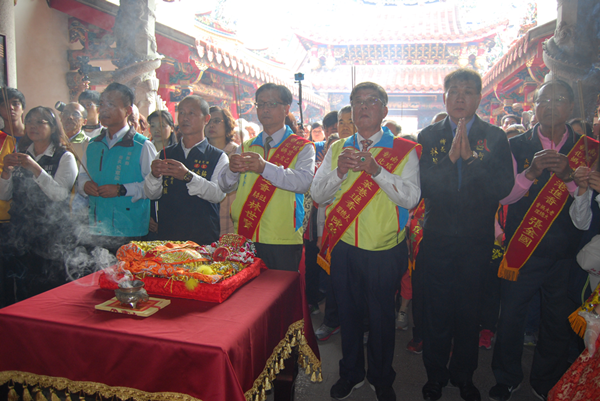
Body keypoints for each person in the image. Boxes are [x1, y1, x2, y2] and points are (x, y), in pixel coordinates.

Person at [312, 81, 421, 401]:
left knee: (382, 318)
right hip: (345, 248)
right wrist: (339, 173)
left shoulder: (404, 150)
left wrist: (376, 170)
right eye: (357, 102)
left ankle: (381, 376)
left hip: (385, 250)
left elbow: (411, 199)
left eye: (371, 101)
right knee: (347, 314)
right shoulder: (336, 149)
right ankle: (351, 373)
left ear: (384, 110)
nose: (363, 107)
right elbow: (317, 195)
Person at [418, 68, 514, 401]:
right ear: (443, 96)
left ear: (479, 97)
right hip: (439, 238)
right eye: (454, 90)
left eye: (468, 91)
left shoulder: (496, 137)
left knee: (468, 311)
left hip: (476, 240)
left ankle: (464, 376)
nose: (460, 97)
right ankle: (435, 376)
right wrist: (449, 160)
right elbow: (424, 186)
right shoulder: (428, 137)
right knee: (437, 311)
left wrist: (471, 161)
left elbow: (503, 187)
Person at [490, 80, 585, 401]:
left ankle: (545, 380)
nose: (551, 106)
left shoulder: (587, 148)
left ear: (570, 107)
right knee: (512, 316)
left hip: (566, 252)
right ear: (534, 106)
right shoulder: (514, 144)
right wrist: (530, 173)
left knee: (557, 320)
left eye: (559, 100)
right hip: (522, 250)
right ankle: (506, 376)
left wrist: (570, 177)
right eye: (545, 100)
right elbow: (504, 197)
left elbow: (590, 204)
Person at [219, 83, 315, 271]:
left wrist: (264, 168)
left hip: (282, 238)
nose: (264, 109)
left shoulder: (302, 147)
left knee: (280, 295)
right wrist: (231, 170)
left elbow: (303, 183)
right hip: (245, 236)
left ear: (286, 108)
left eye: (271, 104)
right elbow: (225, 186)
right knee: (248, 296)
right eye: (260, 104)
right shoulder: (245, 146)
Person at [0, 107, 78, 305]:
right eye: (29, 122)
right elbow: (5, 194)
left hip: (51, 235)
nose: (32, 126)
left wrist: (35, 168)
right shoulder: (21, 154)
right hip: (20, 232)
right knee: (22, 289)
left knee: (48, 291)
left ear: (53, 128)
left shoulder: (64, 156)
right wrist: (6, 172)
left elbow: (59, 195)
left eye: (40, 122)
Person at [78, 82, 157, 253]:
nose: (104, 110)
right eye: (102, 104)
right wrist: (85, 185)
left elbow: (153, 188)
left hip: (130, 229)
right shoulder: (93, 145)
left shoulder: (142, 146)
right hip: (96, 227)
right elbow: (82, 176)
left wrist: (122, 190)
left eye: (111, 105)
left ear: (128, 111)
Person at [144, 96, 227, 245]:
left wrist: (188, 176)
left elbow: (217, 195)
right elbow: (152, 194)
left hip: (202, 238)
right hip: (167, 237)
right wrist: (154, 176)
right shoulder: (165, 154)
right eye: (181, 113)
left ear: (206, 118)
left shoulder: (218, 156)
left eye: (191, 113)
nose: (185, 118)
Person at [206, 105, 239, 236]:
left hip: (230, 221)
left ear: (228, 125)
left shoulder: (237, 153)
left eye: (216, 121)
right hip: (206, 221)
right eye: (208, 121)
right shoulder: (200, 153)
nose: (211, 125)